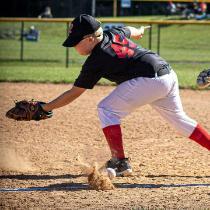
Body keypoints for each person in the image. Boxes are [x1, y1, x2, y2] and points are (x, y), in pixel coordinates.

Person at [41, 14, 210, 177]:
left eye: (76, 42)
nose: (74, 46)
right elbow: (129, 30)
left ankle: (120, 162)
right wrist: (139, 30)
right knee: (180, 121)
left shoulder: (96, 60)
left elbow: (74, 93)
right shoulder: (112, 33)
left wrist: (45, 107)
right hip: (168, 75)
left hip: (149, 80)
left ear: (90, 38)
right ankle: (120, 162)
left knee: (106, 109)